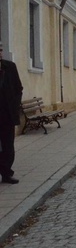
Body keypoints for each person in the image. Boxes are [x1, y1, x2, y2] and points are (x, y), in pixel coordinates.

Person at [0, 41, 23, 184]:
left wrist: (14, 105)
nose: (0, 52)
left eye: (1, 49)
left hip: (7, 114)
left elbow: (18, 88)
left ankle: (7, 173)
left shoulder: (10, 67)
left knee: (8, 145)